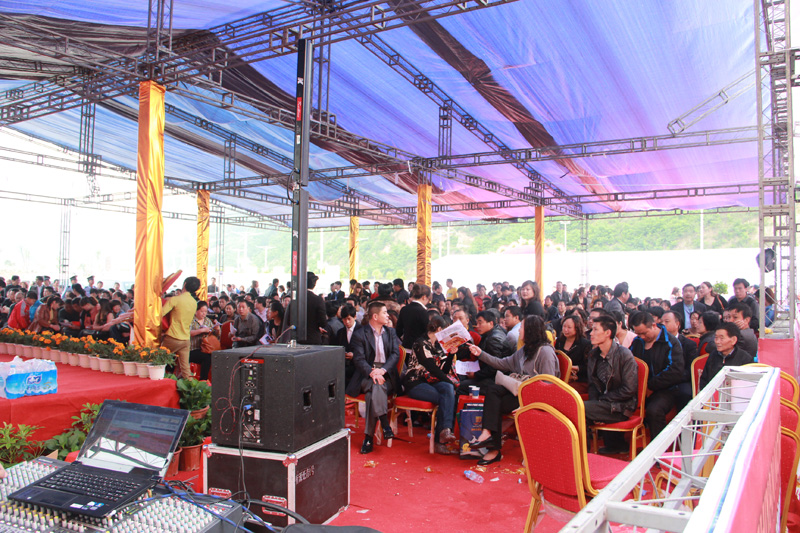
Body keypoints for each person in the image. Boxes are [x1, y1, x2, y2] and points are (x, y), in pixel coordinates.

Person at [467, 315, 559, 465]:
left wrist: (527, 405)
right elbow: (502, 363)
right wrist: (481, 354)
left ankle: (493, 447)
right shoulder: (525, 350)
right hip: (520, 391)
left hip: (535, 398)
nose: (519, 330)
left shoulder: (545, 352)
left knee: (494, 404)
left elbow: (549, 385)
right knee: (493, 390)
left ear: (530, 330)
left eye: (522, 327)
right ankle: (488, 435)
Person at [347, 301, 401, 455]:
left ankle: (369, 438)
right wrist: (372, 373)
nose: (388, 315)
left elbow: (395, 355)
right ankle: (384, 423)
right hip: (366, 375)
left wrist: (382, 371)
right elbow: (359, 359)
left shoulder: (390, 332)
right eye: (385, 312)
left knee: (374, 392)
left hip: (386, 374)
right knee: (376, 385)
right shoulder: (360, 334)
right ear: (375, 316)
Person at [584, 314, 639, 454]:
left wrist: (602, 400)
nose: (591, 333)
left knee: (578, 409)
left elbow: (629, 389)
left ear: (608, 333)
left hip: (621, 406)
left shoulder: (624, 354)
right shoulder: (593, 355)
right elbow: (592, 385)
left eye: (595, 330)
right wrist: (595, 404)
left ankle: (583, 456)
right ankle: (581, 453)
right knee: (576, 408)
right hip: (603, 404)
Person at [404, 314, 459, 455]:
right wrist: (451, 382)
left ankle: (445, 431)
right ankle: (441, 438)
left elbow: (443, 371)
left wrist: (451, 354)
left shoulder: (438, 345)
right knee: (447, 396)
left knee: (448, 388)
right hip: (415, 382)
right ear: (440, 329)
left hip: (432, 381)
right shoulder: (420, 343)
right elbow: (432, 368)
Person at [628, 311, 685, 439]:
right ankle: (617, 445)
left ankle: (659, 445)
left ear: (654, 325)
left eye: (644, 333)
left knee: (654, 410)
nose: (642, 337)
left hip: (665, 390)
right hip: (639, 389)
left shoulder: (670, 342)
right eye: (638, 334)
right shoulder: (637, 342)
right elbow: (630, 362)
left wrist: (650, 386)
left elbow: (675, 371)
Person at [161, 277, 202, 379]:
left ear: (184, 284)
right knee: (185, 369)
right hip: (185, 339)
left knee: (158, 362)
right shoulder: (194, 303)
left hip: (173, 337)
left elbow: (160, 314)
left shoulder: (175, 299)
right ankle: (191, 387)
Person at [699, 322, 754, 389]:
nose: (717, 342)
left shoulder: (745, 359)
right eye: (716, 338)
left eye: (721, 338)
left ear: (733, 340)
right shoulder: (713, 355)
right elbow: (704, 380)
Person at [661, 310, 698, 406]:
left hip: (681, 380)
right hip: (662, 380)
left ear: (677, 324)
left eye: (667, 321)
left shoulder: (689, 344)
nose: (663, 324)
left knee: (686, 394)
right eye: (661, 322)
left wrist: (674, 378)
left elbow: (690, 369)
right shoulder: (658, 343)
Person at [282, 272, 328, 345]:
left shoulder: (295, 299)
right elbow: (323, 323)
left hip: (296, 339)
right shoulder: (318, 300)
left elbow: (289, 321)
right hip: (313, 339)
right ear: (314, 284)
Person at [554, 314, 592, 383]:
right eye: (564, 326)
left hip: (578, 379)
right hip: (560, 376)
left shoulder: (585, 344)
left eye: (569, 327)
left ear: (577, 328)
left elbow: (588, 367)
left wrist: (572, 367)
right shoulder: (559, 341)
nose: (565, 329)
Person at [396, 283, 431, 350]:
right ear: (424, 297)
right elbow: (427, 331)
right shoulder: (423, 312)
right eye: (428, 299)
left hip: (406, 346)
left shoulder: (404, 309)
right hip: (419, 349)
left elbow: (398, 330)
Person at [189, 301, 218, 380]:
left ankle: (213, 379)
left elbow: (215, 334)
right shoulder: (191, 320)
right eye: (202, 311)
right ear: (196, 311)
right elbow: (189, 333)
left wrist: (217, 329)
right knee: (206, 358)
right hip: (192, 349)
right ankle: (203, 379)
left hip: (206, 348)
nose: (204, 314)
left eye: (205, 311)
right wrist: (202, 330)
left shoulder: (207, 320)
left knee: (214, 356)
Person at [335, 304, 360, 383]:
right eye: (344, 319)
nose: (347, 322)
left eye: (349, 319)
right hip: (344, 367)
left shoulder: (362, 330)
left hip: (358, 368)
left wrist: (354, 355)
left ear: (355, 317)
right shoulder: (340, 332)